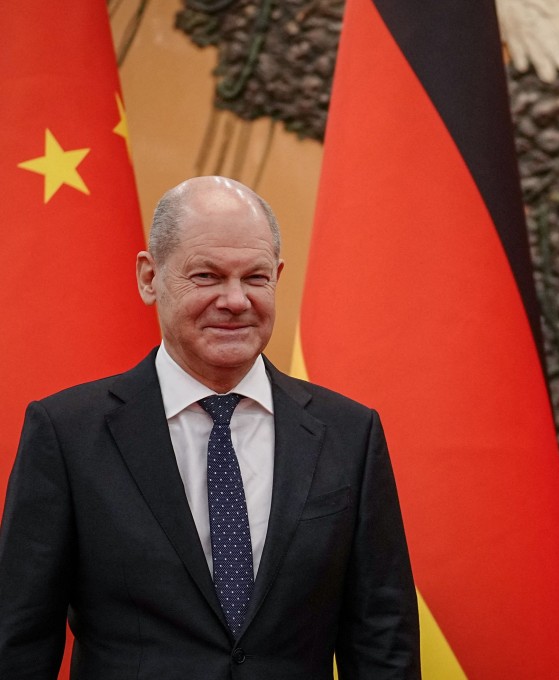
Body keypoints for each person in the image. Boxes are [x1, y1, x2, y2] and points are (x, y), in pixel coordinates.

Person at [0, 176, 421, 679]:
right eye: (207, 276)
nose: (236, 300)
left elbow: (383, 642)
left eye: (256, 278)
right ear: (149, 277)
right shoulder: (67, 433)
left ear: (278, 277)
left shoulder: (350, 434)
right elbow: (19, 643)